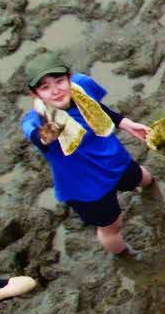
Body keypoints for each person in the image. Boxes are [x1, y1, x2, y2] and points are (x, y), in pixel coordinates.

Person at [19, 55, 157, 255]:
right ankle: (124, 256)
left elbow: (97, 108)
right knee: (113, 227)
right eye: (45, 87)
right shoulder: (33, 123)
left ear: (69, 77)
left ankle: (153, 192)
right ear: (35, 94)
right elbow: (40, 137)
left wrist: (124, 123)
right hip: (87, 190)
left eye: (59, 81)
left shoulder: (81, 86)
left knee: (143, 177)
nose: (55, 90)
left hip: (115, 160)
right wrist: (50, 129)